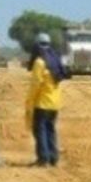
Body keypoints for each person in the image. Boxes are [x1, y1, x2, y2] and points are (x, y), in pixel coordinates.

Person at [26, 32, 66, 167]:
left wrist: (29, 102)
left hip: (42, 103)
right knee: (51, 129)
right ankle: (53, 158)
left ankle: (43, 159)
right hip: (55, 103)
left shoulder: (39, 62)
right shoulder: (56, 59)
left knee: (40, 130)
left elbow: (35, 85)